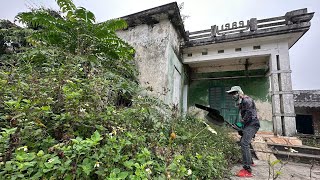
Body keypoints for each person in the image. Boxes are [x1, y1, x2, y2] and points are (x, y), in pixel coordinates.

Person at [226, 86, 260, 177]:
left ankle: (247, 170)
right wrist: (241, 128)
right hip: (248, 125)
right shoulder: (242, 102)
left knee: (244, 143)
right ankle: (251, 162)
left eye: (234, 93)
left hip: (252, 124)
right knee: (245, 142)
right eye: (231, 94)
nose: (233, 95)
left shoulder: (246, 100)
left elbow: (249, 115)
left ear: (239, 93)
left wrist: (240, 124)